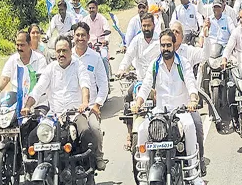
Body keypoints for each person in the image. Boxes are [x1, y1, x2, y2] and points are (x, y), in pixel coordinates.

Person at [131, 29, 204, 185]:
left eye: (168, 45)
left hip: (181, 110)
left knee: (189, 126)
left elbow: (190, 83)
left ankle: (194, 174)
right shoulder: (155, 64)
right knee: (142, 130)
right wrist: (138, 103)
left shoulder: (183, 63)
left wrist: (193, 99)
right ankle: (143, 180)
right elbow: (146, 86)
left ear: (174, 45)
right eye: (163, 45)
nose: (165, 48)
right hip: (160, 111)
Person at [21, 35, 94, 162]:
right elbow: (38, 89)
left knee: (85, 131)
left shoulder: (79, 66)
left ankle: (87, 168)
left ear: (71, 51)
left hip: (74, 114)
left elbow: (85, 85)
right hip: (53, 115)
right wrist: (28, 106)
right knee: (33, 137)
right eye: (58, 51)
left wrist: (84, 102)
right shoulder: (50, 68)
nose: (61, 54)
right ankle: (32, 169)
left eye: (64, 51)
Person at [170, 21, 211, 175]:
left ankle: (199, 160)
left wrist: (206, 37)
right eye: (171, 31)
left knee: (197, 126)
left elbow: (204, 55)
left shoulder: (188, 52)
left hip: (186, 104)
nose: (174, 34)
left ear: (182, 35)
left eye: (177, 32)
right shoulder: (162, 53)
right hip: (167, 105)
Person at [117, 13, 161, 149]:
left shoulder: (159, 40)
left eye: (148, 25)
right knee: (128, 97)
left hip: (157, 82)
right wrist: (122, 69)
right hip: (140, 82)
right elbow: (128, 56)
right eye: (144, 25)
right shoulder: (137, 40)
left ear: (153, 25)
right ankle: (130, 133)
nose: (146, 28)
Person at [72, 22, 109, 170]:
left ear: (88, 37)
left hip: (90, 107)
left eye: (83, 35)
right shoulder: (67, 56)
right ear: (73, 37)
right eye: (77, 35)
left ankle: (99, 157)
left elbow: (103, 84)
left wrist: (97, 105)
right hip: (69, 108)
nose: (80, 38)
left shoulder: (95, 57)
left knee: (94, 129)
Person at [0, 30, 48, 96]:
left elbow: (40, 83)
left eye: (22, 45)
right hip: (16, 100)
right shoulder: (12, 59)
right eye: (17, 45)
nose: (19, 48)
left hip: (37, 100)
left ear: (30, 44)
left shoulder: (40, 59)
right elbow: (5, 78)